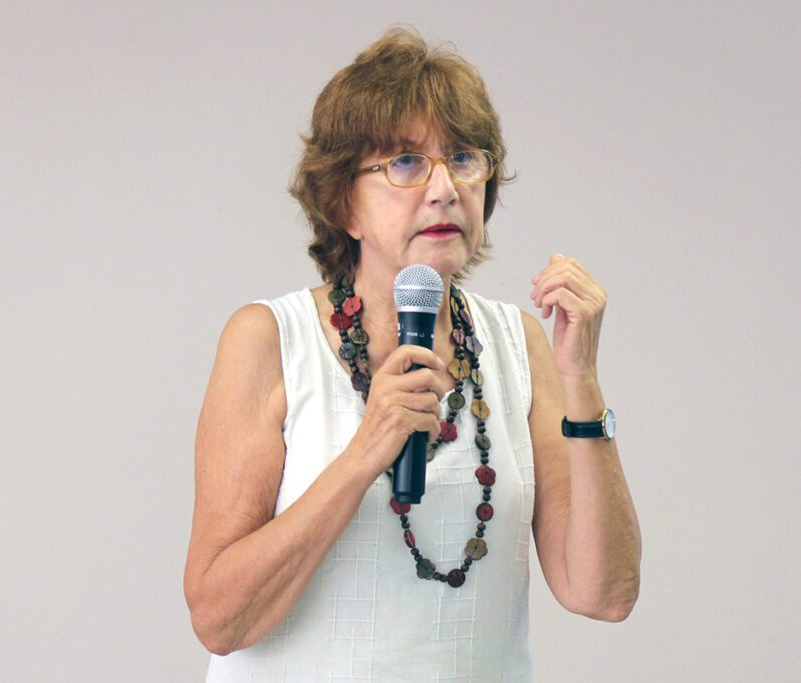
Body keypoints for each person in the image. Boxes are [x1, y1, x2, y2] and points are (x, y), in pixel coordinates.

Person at [184, 28, 641, 681]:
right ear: (344, 203)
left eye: (463, 158)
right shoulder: (269, 339)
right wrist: (366, 451)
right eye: (404, 162)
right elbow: (219, 620)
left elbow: (603, 593)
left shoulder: (519, 344)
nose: (445, 186)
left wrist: (582, 379)